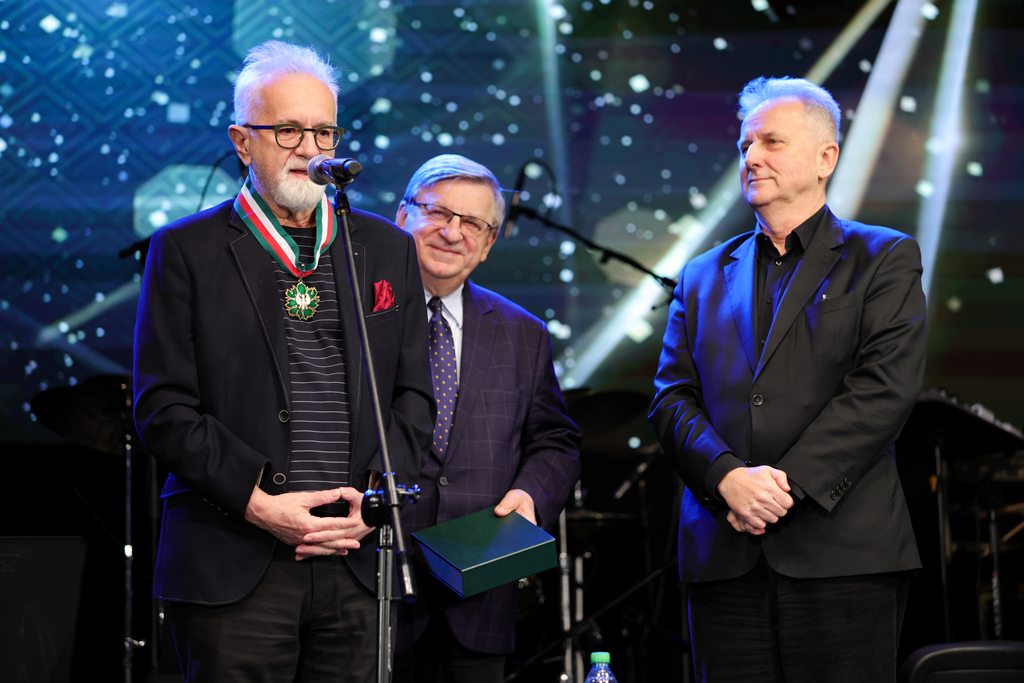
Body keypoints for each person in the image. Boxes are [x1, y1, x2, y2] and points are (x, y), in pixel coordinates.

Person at [133, 41, 435, 682]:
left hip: (356, 555)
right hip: (234, 556)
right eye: (289, 130)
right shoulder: (185, 249)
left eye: (324, 131)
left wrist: (370, 502)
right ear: (243, 142)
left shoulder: (387, 248)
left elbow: (414, 397)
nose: (310, 149)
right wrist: (259, 503)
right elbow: (163, 407)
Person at [649, 76, 927, 681]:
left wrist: (783, 487)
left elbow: (884, 389)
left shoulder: (882, 257)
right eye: (745, 144)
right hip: (723, 552)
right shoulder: (700, 274)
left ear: (826, 158)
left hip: (841, 552)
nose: (751, 156)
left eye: (771, 141)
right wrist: (726, 478)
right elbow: (672, 398)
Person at [391, 154, 582, 682]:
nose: (452, 233)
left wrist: (532, 495)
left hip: (479, 593)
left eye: (473, 223)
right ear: (402, 215)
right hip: (371, 590)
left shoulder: (524, 332)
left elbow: (556, 441)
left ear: (490, 241)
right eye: (438, 212)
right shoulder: (357, 315)